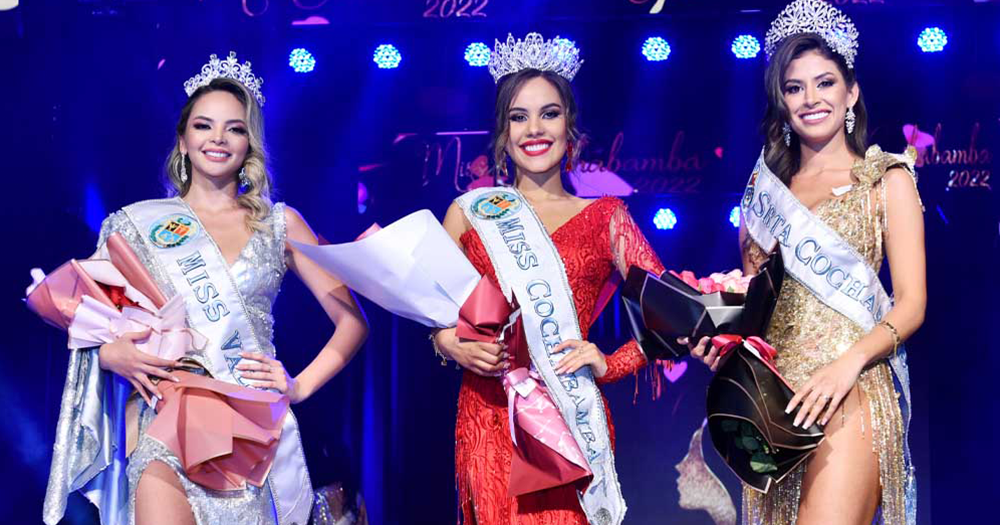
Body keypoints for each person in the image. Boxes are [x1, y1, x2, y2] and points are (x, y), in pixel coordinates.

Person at [42, 52, 368, 525]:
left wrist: (298, 386)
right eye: (203, 126)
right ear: (182, 140)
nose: (218, 138)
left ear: (250, 143)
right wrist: (111, 354)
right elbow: (87, 321)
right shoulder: (135, 224)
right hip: (164, 424)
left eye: (234, 128)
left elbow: (352, 321)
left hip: (251, 433)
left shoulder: (280, 225)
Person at [691, 2, 925, 523]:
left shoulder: (885, 180)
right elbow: (758, 305)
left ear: (851, 92)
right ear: (782, 101)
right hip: (773, 403)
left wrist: (847, 365)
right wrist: (725, 340)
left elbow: (911, 306)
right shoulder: (763, 190)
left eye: (825, 83)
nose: (811, 99)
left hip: (851, 389)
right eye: (795, 88)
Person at [432, 33, 665, 524]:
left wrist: (611, 362)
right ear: (501, 132)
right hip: (488, 415)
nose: (534, 129)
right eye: (519, 116)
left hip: (566, 418)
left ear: (571, 128)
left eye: (549, 113)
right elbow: (426, 308)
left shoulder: (606, 217)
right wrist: (448, 342)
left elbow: (675, 312)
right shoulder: (470, 213)